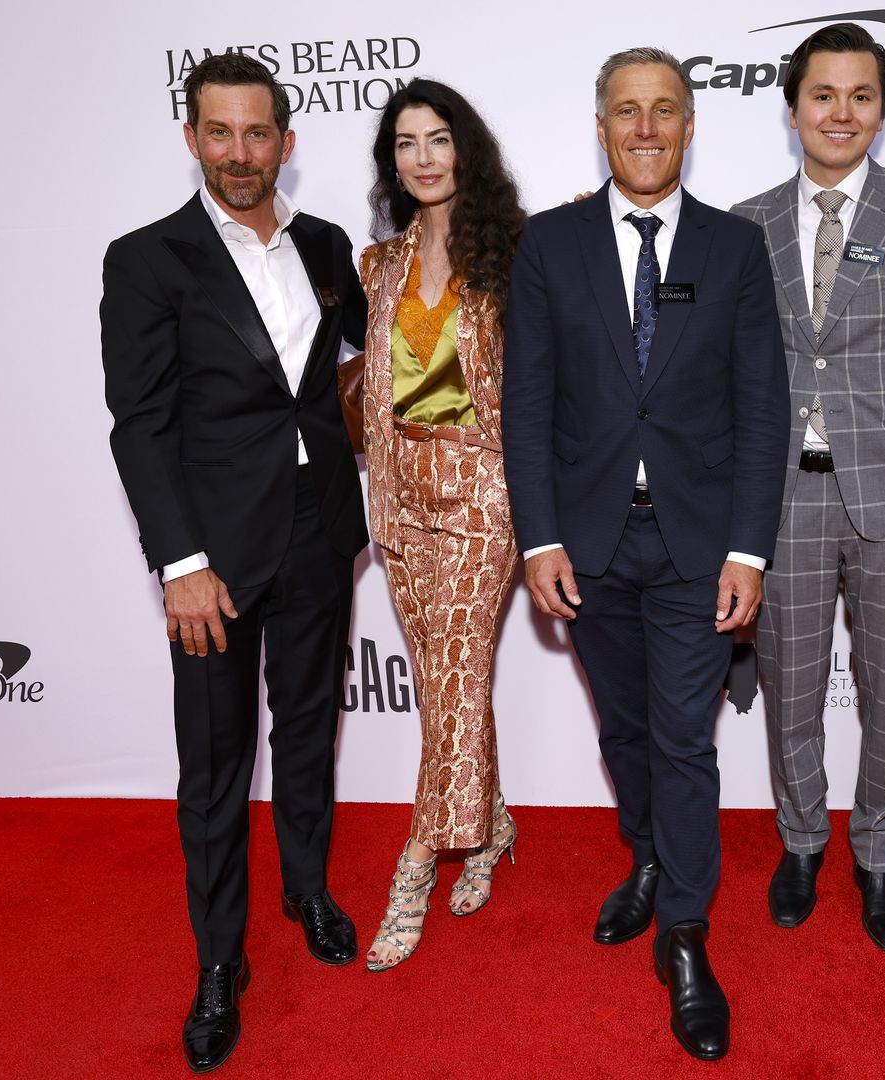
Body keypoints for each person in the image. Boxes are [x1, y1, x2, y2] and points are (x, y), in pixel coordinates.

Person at [502, 47, 787, 1062]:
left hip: (696, 547)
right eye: (628, 110)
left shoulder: (734, 247)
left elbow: (764, 412)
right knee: (624, 731)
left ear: (690, 123)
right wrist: (537, 535)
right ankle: (651, 860)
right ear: (602, 124)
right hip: (585, 541)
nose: (647, 128)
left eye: (665, 109)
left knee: (683, 740)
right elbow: (526, 404)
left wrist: (751, 549)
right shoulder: (550, 244)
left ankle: (685, 939)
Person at [100, 53, 368, 1073]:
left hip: (317, 525)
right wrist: (180, 560)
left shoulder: (329, 246)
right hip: (210, 552)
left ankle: (307, 888)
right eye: (221, 133)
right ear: (191, 138)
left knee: (306, 727)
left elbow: (363, 369)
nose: (241, 153)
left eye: (259, 134)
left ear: (287, 142)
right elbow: (139, 424)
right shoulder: (147, 258)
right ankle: (220, 963)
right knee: (213, 765)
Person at [729, 22, 885, 954]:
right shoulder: (744, 222)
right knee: (791, 692)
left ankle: (876, 852)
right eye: (822, 95)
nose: (840, 112)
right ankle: (801, 844)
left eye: (860, 95)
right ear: (792, 108)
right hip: (780, 501)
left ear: (882, 108)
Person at [353, 79, 527, 972]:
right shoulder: (374, 265)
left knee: (456, 675)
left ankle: (414, 866)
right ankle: (491, 826)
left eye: (438, 139)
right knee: (442, 686)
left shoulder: (512, 253)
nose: (423, 157)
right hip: (398, 497)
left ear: (467, 151)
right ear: (393, 159)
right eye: (406, 143)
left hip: (483, 497)